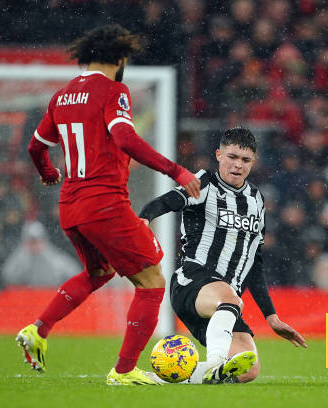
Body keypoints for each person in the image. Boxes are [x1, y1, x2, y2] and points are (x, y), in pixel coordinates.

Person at [16, 24, 200, 386]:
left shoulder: (61, 96)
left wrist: (48, 172)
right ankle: (125, 371)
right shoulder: (114, 90)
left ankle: (39, 329)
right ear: (120, 59)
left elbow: (35, 147)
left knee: (99, 273)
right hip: (104, 203)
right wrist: (175, 170)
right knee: (151, 281)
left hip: (70, 205)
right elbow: (124, 137)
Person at [139, 128, 306, 384]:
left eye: (245, 160)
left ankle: (160, 378)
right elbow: (166, 202)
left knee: (247, 370)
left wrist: (271, 316)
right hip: (192, 282)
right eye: (232, 157)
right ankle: (215, 363)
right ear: (218, 155)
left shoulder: (256, 201)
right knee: (230, 300)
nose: (238, 165)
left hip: (225, 303)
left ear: (253, 162)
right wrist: (144, 219)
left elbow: (254, 262)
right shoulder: (204, 182)